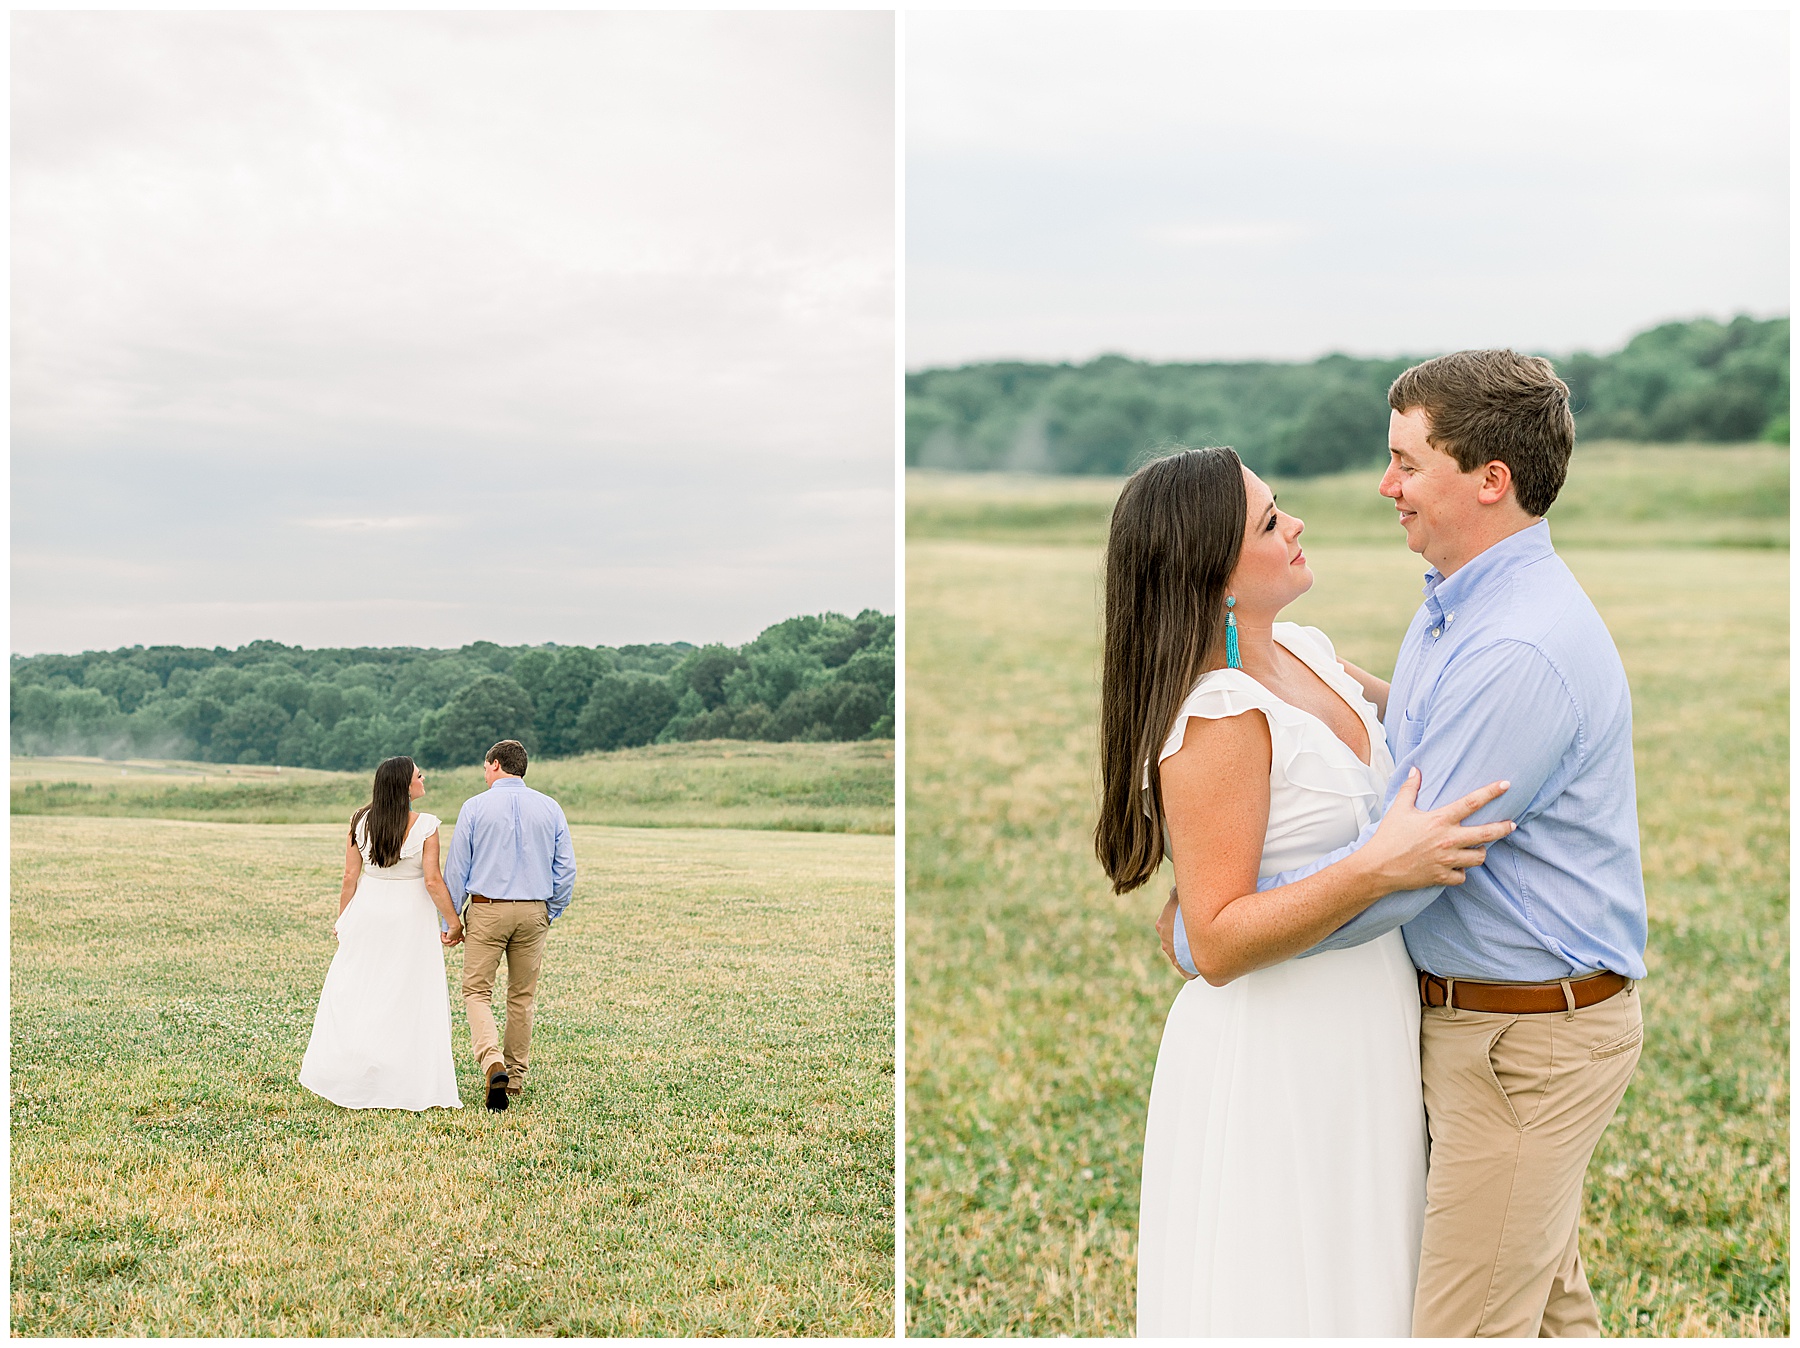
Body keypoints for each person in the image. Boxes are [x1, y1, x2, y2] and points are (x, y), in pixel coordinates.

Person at [1159, 350, 1648, 1337]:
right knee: (1547, 1312)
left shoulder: (1511, 645)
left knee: (1470, 1327)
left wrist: (1201, 932)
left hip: (1521, 1039)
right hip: (1462, 1028)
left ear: (1489, 480)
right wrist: (1357, 699)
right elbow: (1410, 756)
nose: (1385, 487)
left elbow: (1399, 877)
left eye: (1406, 462)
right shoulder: (1451, 605)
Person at [1096, 445, 1515, 1336]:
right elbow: (1214, 939)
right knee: (1294, 1288)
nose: (1295, 526)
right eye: (1269, 521)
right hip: (1280, 1050)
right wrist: (1378, 867)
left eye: (1279, 506)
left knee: (1376, 1275)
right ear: (1214, 575)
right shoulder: (1218, 714)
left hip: (1372, 1021)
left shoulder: (1309, 654)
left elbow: (1443, 721)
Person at [300, 755, 465, 1111]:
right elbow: (433, 881)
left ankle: (358, 1071)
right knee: (406, 991)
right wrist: (454, 922)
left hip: (368, 910)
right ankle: (403, 1077)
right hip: (410, 915)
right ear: (405, 786)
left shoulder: (359, 821)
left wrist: (344, 919)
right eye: (419, 775)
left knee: (361, 988)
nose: (424, 779)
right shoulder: (426, 826)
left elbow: (349, 877)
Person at [445, 739, 577, 1113]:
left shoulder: (474, 807)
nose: (484, 773)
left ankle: (492, 1063)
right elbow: (565, 869)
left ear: (497, 764)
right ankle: (515, 1077)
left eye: (486, 767)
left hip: (487, 910)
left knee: (476, 992)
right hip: (534, 910)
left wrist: (451, 920)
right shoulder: (550, 807)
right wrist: (550, 910)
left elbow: (457, 869)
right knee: (521, 997)